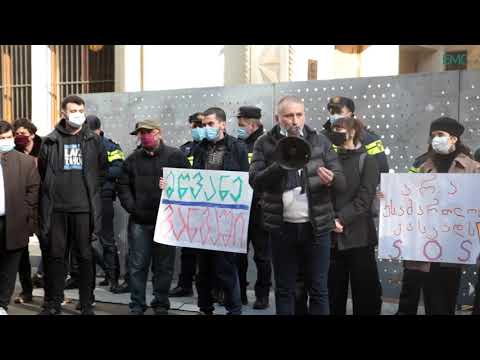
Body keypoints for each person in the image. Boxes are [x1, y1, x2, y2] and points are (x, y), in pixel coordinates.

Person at [249, 96, 346, 315]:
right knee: (285, 289)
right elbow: (255, 180)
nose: (295, 120)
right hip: (282, 227)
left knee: (319, 289)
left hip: (317, 227)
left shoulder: (320, 141)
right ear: (277, 118)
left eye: (299, 114)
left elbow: (342, 182)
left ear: (304, 116)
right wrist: (282, 164)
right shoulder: (264, 143)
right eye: (288, 115)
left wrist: (332, 179)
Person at [395, 117, 479, 315]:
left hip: (454, 246)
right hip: (428, 245)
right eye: (433, 136)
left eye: (440, 135)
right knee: (431, 298)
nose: (435, 139)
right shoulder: (425, 166)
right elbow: (411, 201)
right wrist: (391, 196)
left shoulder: (473, 168)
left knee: (445, 300)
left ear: (454, 138)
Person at [37, 95, 107, 315]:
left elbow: (102, 171)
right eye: (73, 110)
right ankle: (53, 303)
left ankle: (86, 304)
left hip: (85, 210)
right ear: (63, 113)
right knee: (55, 258)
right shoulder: (50, 141)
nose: (78, 114)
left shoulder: (93, 141)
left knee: (86, 257)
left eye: (81, 110)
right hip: (56, 210)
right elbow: (42, 173)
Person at [117, 120, 190, 315]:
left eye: (147, 132)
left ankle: (160, 304)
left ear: (158, 133)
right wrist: (132, 208)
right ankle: (137, 305)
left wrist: (172, 187)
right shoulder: (132, 160)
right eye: (140, 133)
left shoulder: (176, 156)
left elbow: (189, 185)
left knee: (164, 267)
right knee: (137, 265)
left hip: (167, 222)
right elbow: (123, 186)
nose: (144, 136)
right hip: (140, 222)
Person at [189, 107, 249, 315]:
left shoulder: (237, 148)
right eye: (203, 125)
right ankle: (205, 308)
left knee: (226, 268)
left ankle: (234, 310)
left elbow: (245, 181)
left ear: (223, 124)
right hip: (202, 217)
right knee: (203, 269)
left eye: (210, 124)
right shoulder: (199, 148)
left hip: (226, 218)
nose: (206, 128)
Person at [327, 116, 382, 315]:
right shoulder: (330, 159)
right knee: (333, 292)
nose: (335, 132)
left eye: (339, 128)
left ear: (353, 132)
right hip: (333, 237)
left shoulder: (367, 160)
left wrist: (340, 219)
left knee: (365, 292)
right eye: (333, 128)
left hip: (359, 237)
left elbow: (365, 198)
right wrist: (331, 219)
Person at [0, 121, 40, 315]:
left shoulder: (25, 162)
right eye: (2, 139)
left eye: (9, 138)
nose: (6, 141)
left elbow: (34, 189)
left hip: (15, 221)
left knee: (10, 266)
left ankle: (2, 304)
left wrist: (25, 212)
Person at [85, 115, 127, 293]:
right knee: (84, 240)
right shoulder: (83, 145)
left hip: (103, 196)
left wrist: (97, 173)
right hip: (84, 197)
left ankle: (113, 277)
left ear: (98, 130)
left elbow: (119, 168)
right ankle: (86, 276)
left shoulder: (110, 146)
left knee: (107, 240)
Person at [236, 106, 272, 309]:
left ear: (252, 123)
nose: (239, 128)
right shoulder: (237, 144)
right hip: (240, 209)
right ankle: (239, 293)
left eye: (241, 124)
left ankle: (263, 295)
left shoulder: (268, 143)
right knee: (238, 255)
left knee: (262, 256)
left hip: (260, 209)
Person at [169, 112, 205, 298]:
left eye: (200, 124)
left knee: (209, 254)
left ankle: (212, 289)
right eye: (194, 125)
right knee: (188, 250)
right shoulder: (184, 150)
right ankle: (185, 285)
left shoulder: (218, 148)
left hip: (210, 209)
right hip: (189, 208)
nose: (197, 129)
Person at [11, 118, 42, 304]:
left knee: (50, 249)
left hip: (45, 205)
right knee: (21, 251)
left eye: (23, 133)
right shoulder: (13, 151)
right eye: (16, 134)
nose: (20, 137)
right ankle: (26, 291)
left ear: (32, 133)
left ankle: (55, 292)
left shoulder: (45, 147)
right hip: (24, 206)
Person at [395, 152, 429, 315]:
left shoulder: (465, 162)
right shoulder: (421, 160)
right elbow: (406, 187)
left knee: (438, 289)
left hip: (447, 233)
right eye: (434, 135)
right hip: (418, 229)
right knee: (411, 279)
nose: (436, 139)